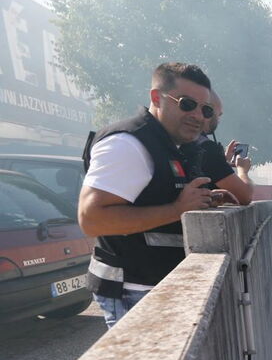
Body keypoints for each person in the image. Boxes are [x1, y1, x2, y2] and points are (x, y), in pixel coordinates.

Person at [80, 62, 236, 328]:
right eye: (187, 104)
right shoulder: (127, 144)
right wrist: (178, 209)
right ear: (156, 98)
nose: (198, 116)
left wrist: (202, 201)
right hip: (132, 290)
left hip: (157, 284)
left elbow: (160, 198)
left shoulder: (169, 144)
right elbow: (92, 219)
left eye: (205, 109)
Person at [181, 89, 253, 205]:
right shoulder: (206, 148)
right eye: (218, 115)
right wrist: (242, 170)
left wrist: (223, 161)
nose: (218, 121)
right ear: (208, 113)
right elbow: (245, 196)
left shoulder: (183, 139)